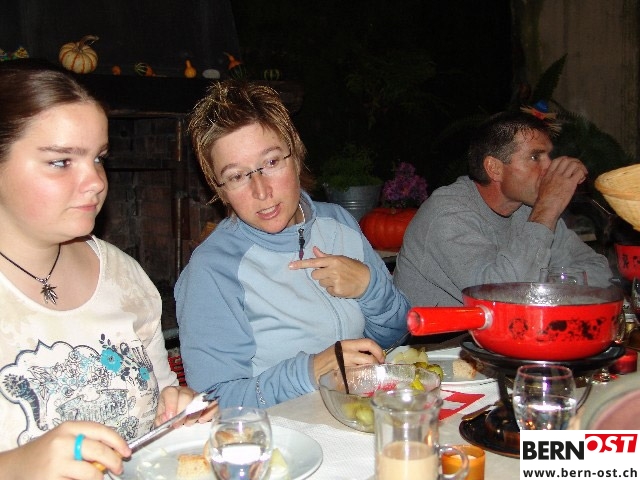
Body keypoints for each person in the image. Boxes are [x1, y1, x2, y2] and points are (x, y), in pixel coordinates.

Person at [0, 60, 217, 479]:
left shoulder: (123, 274)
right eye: (61, 161)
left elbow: (160, 403)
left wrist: (175, 412)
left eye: (98, 158)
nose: (97, 181)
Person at [175, 80, 410, 408]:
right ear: (220, 190)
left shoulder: (339, 224)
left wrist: (372, 289)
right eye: (237, 176)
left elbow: (395, 336)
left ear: (296, 156)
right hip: (279, 433)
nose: (261, 191)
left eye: (271, 162)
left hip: (358, 413)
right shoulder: (212, 270)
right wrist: (309, 372)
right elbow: (212, 402)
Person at [394, 110, 613, 307]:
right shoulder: (447, 215)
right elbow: (498, 296)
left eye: (549, 157)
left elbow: (599, 270)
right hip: (440, 339)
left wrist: (543, 284)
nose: (549, 168)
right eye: (535, 157)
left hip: (501, 334)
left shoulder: (529, 210)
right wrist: (547, 209)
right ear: (494, 168)